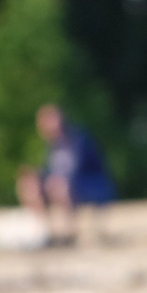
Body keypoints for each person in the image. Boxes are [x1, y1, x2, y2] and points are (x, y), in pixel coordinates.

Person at [15, 104, 118, 242]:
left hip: (92, 184)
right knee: (29, 184)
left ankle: (70, 232)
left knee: (59, 185)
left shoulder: (78, 140)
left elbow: (76, 171)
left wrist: (53, 180)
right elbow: (53, 170)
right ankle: (45, 232)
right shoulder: (52, 146)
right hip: (64, 184)